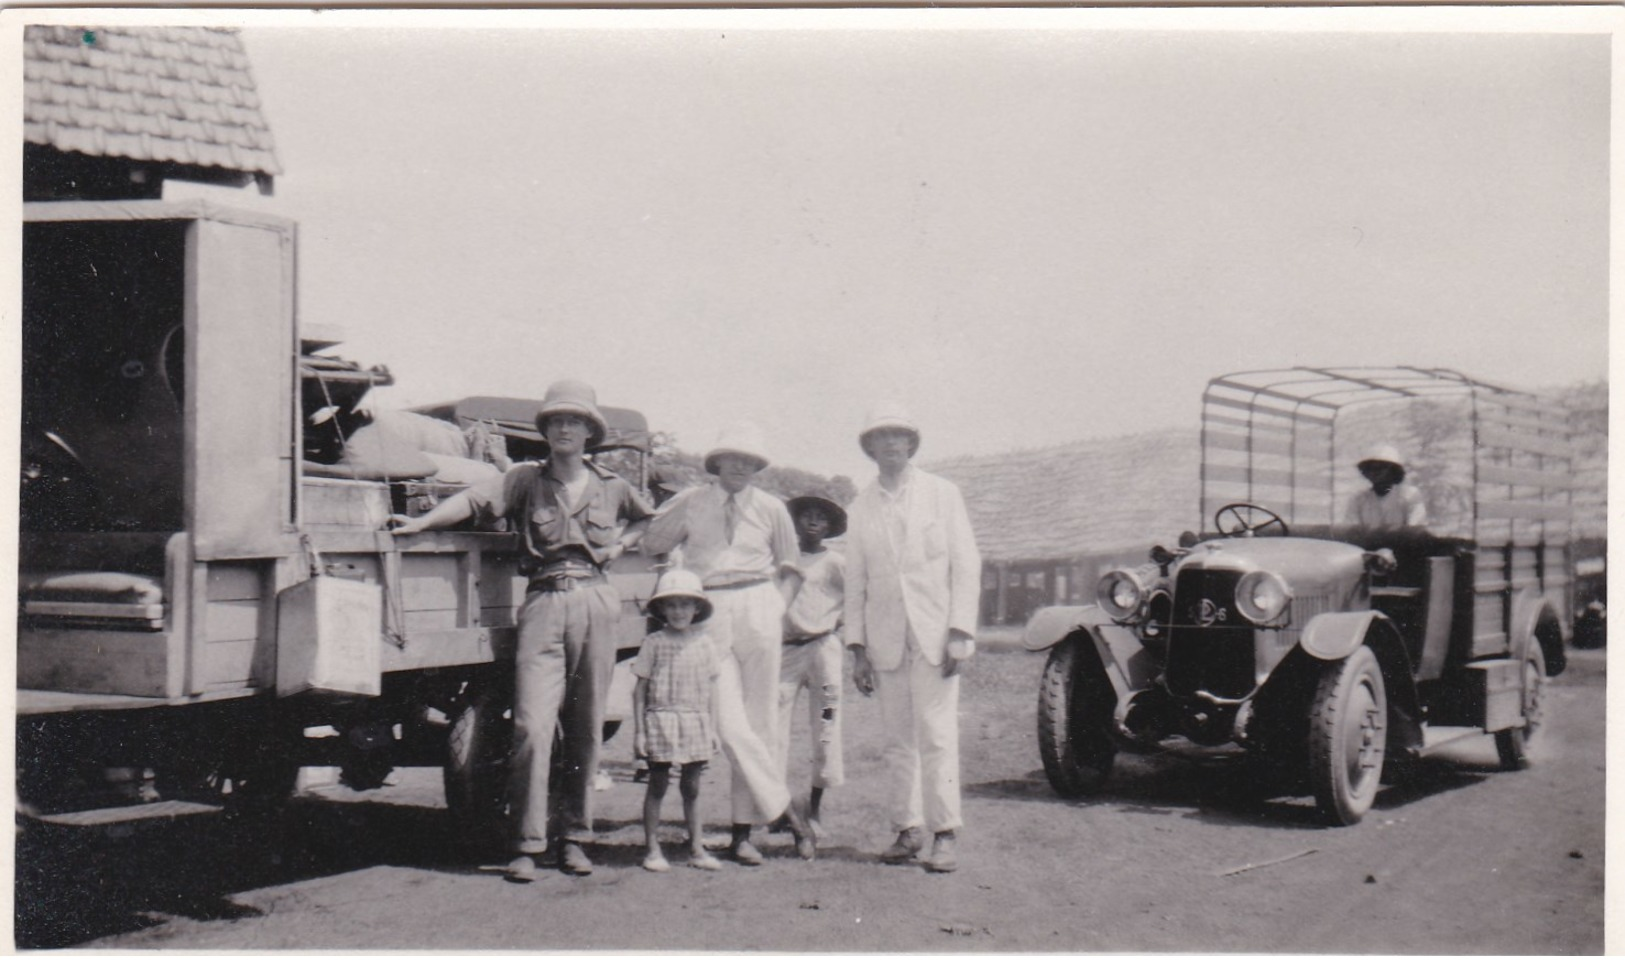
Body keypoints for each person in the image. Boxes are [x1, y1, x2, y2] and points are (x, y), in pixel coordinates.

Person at [389, 379, 653, 882]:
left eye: (573, 421)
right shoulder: (524, 479)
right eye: (555, 421)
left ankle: (575, 839)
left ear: (589, 432)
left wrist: (621, 545)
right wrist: (421, 526)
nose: (564, 429)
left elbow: (648, 520)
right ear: (546, 431)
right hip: (543, 602)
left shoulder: (612, 485)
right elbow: (471, 501)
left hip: (597, 601)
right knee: (532, 725)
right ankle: (526, 843)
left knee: (585, 727)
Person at [642, 420, 815, 864]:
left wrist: (777, 606)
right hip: (710, 608)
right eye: (732, 458)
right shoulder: (691, 501)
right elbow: (650, 543)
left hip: (761, 604)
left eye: (750, 460)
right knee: (729, 724)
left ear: (758, 466)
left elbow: (792, 566)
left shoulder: (772, 507)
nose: (741, 466)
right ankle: (790, 814)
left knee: (762, 724)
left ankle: (742, 835)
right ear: (716, 462)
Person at [844, 402, 981, 874]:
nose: (890, 445)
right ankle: (907, 829)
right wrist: (857, 649)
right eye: (880, 437)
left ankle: (945, 834)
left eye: (898, 436)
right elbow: (856, 582)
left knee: (937, 734)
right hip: (885, 638)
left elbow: (965, 564)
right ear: (870, 447)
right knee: (897, 740)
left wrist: (960, 630)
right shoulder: (860, 506)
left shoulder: (942, 494)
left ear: (911, 443)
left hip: (934, 634)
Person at [633, 569, 725, 873]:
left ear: (696, 608)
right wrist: (640, 733)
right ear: (661, 609)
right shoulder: (654, 642)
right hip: (661, 719)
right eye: (671, 605)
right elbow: (641, 688)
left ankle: (697, 848)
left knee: (692, 786)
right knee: (658, 784)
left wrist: (711, 728)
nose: (678, 612)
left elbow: (711, 689)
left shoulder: (705, 643)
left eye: (685, 605)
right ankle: (652, 849)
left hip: (695, 720)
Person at [776, 495, 848, 838]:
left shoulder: (836, 562)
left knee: (826, 728)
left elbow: (858, 598)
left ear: (830, 527)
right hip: (785, 650)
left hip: (823, 648)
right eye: (808, 516)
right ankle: (778, 807)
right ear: (796, 522)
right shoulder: (780, 560)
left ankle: (814, 808)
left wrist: (840, 624)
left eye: (822, 518)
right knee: (773, 731)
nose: (814, 522)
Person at [1345, 444, 1427, 530]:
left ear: (1393, 471)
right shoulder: (1358, 499)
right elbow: (1352, 531)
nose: (1375, 472)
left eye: (1381, 468)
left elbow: (1416, 530)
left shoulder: (1409, 495)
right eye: (1370, 468)